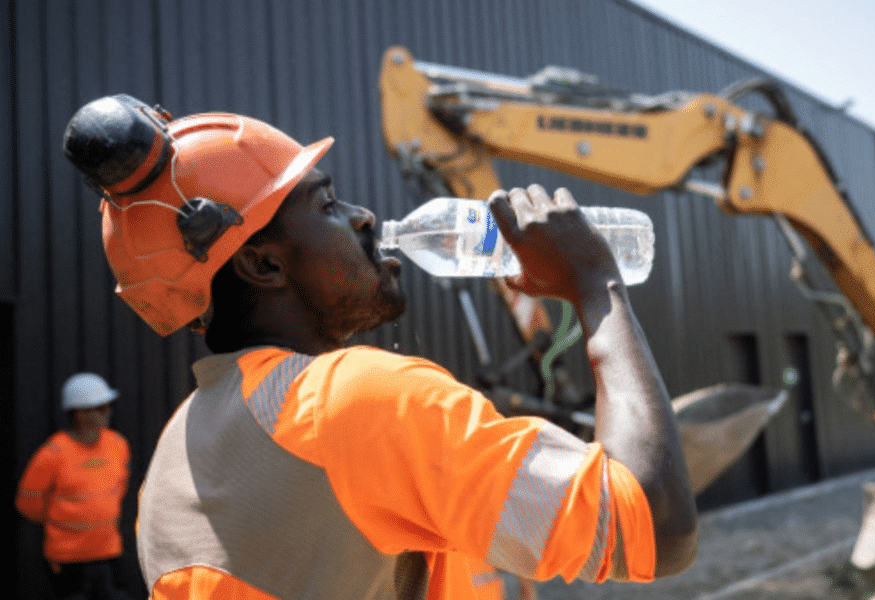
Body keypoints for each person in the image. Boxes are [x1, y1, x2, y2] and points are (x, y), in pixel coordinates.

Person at [61, 95, 697, 600]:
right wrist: (596, 285)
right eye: (328, 204)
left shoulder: (171, 461)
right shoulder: (353, 400)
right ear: (261, 265)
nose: (364, 217)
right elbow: (654, 524)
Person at [16, 372, 133, 600]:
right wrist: (63, 520)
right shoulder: (52, 454)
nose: (108, 412)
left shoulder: (117, 445)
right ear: (80, 413)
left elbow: (120, 487)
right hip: (68, 561)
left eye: (107, 406)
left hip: (108, 553)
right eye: (100, 407)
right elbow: (27, 503)